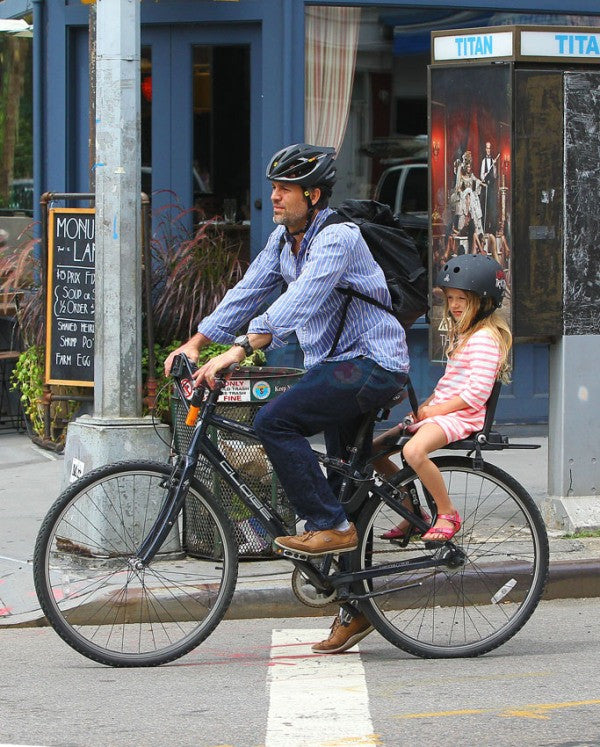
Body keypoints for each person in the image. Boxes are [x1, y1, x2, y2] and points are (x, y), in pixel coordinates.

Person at [164, 142, 409, 559]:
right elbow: (247, 290)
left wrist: (240, 348)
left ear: (312, 195)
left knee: (275, 421)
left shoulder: (338, 239)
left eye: (285, 188)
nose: (274, 196)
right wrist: (198, 342)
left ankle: (331, 526)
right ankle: (350, 595)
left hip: (371, 363)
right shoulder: (282, 240)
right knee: (342, 486)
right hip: (333, 366)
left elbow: (302, 301)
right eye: (274, 187)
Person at [313, 253, 512, 653]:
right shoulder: (467, 336)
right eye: (450, 298)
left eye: (462, 299)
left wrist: (435, 410)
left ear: (485, 301)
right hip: (446, 413)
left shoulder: (487, 339)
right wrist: (425, 407)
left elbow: (474, 394)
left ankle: (446, 513)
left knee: (416, 452)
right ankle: (409, 505)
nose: (454, 306)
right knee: (369, 453)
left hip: (464, 418)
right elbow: (450, 383)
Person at [480, 141, 499, 235]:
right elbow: (481, 177)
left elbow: (495, 176)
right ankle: (484, 229)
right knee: (485, 208)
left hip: (492, 187)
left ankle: (493, 230)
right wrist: (485, 174)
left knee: (493, 208)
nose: (488, 150)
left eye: (489, 148)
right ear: (485, 149)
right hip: (485, 187)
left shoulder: (493, 161)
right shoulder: (484, 161)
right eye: (487, 148)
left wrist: (494, 165)